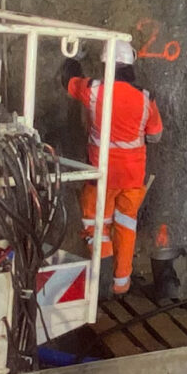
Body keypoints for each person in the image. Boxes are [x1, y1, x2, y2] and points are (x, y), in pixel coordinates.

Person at [63, 42, 163, 294]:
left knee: (95, 224)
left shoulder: (94, 90)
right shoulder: (146, 97)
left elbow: (68, 81)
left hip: (102, 175)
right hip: (133, 177)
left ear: (106, 64)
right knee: (126, 226)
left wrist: (74, 58)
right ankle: (121, 284)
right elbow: (155, 135)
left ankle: (104, 279)